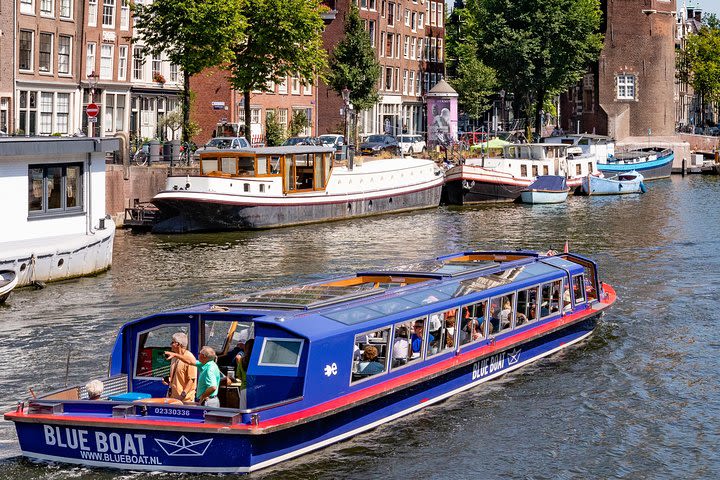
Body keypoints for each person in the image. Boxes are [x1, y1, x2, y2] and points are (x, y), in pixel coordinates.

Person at [164, 332, 196, 404]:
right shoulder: (174, 357)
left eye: (172, 342)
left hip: (185, 400)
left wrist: (182, 397)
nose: (170, 344)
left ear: (178, 344)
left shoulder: (189, 358)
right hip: (172, 397)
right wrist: (168, 380)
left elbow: (192, 380)